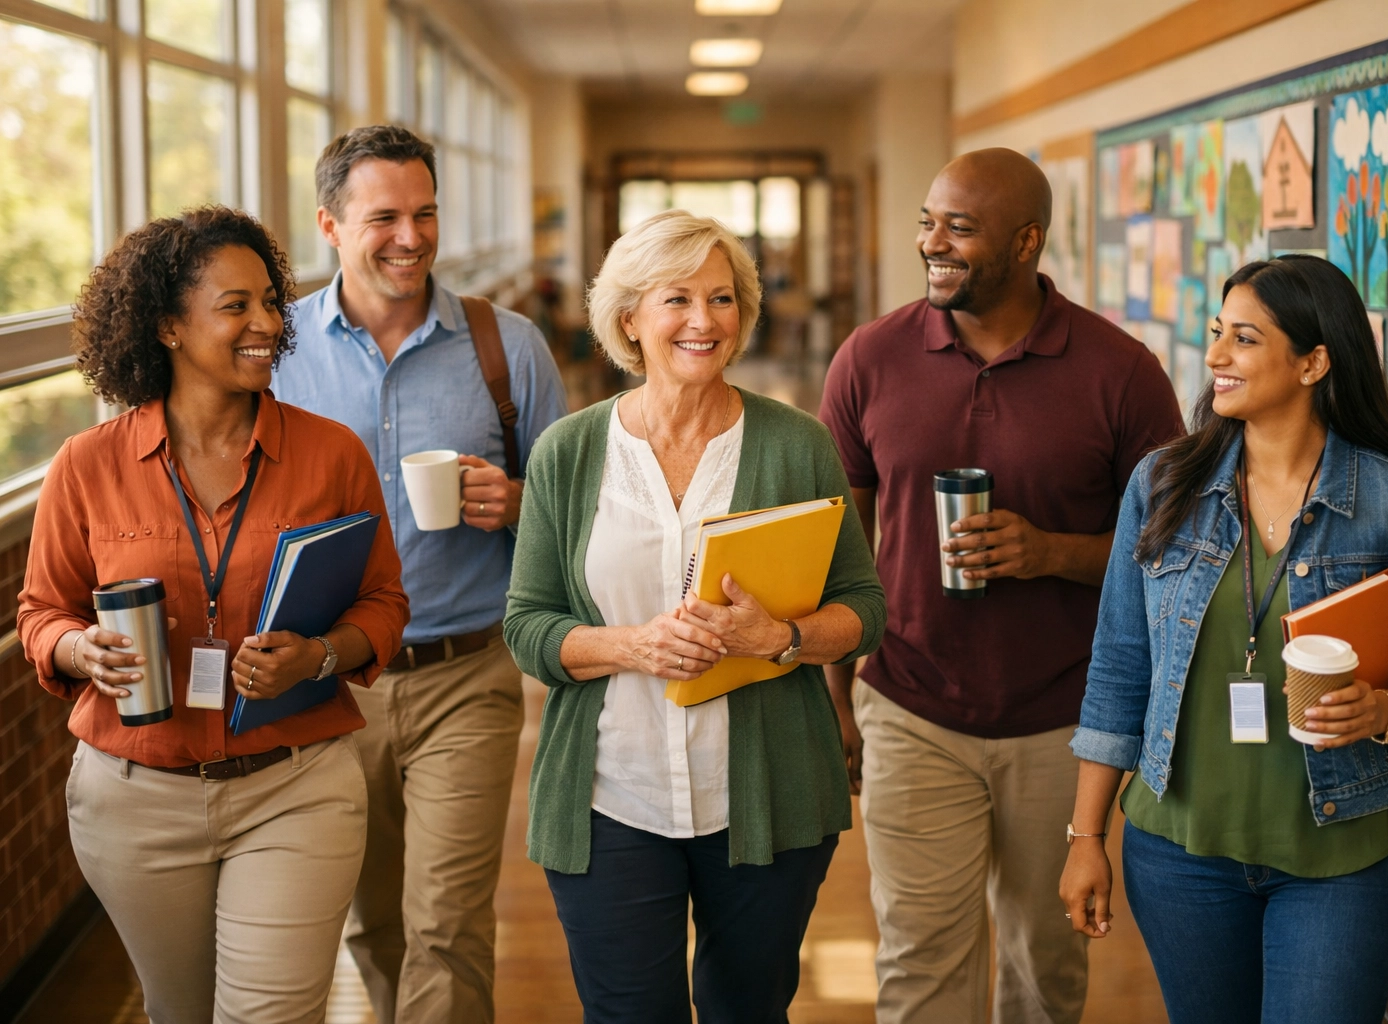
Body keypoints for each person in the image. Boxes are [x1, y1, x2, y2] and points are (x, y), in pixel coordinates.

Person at [1060, 255, 1388, 1024]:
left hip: (1345, 851)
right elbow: (1121, 664)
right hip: (1181, 852)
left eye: (1244, 339)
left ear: (1315, 361)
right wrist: (1086, 835)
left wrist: (1387, 709)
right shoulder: (1162, 487)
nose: (1215, 356)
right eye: (1217, 333)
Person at [17, 207, 409, 1024]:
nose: (269, 322)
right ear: (167, 326)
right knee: (177, 1011)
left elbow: (382, 602)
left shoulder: (331, 452)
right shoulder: (88, 466)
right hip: (135, 797)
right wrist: (77, 650)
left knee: (269, 1014)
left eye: (271, 301)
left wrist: (320, 657)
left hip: (293, 785)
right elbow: (41, 613)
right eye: (237, 306)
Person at [818, 148, 1184, 1024]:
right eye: (927, 220)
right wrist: (835, 700)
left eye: (960, 228)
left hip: (1067, 721)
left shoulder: (1120, 372)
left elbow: (1175, 560)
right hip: (909, 707)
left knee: (1043, 968)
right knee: (917, 966)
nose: (932, 243)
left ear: (1027, 242)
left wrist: (1049, 552)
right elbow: (838, 544)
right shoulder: (869, 358)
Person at [503, 210, 886, 1022]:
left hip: (765, 799)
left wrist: (780, 639)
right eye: (677, 298)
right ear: (630, 317)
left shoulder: (797, 444)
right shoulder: (568, 454)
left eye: (722, 299)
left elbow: (865, 609)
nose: (703, 322)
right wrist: (634, 646)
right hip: (610, 799)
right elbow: (528, 627)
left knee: (747, 1009)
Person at [270, 124, 567, 1023]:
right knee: (373, 923)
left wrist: (519, 504)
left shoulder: (508, 347)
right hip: (327, 683)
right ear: (329, 224)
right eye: (384, 216)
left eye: (426, 213)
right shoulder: (275, 352)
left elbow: (579, 511)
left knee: (447, 922)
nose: (411, 236)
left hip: (465, 676)